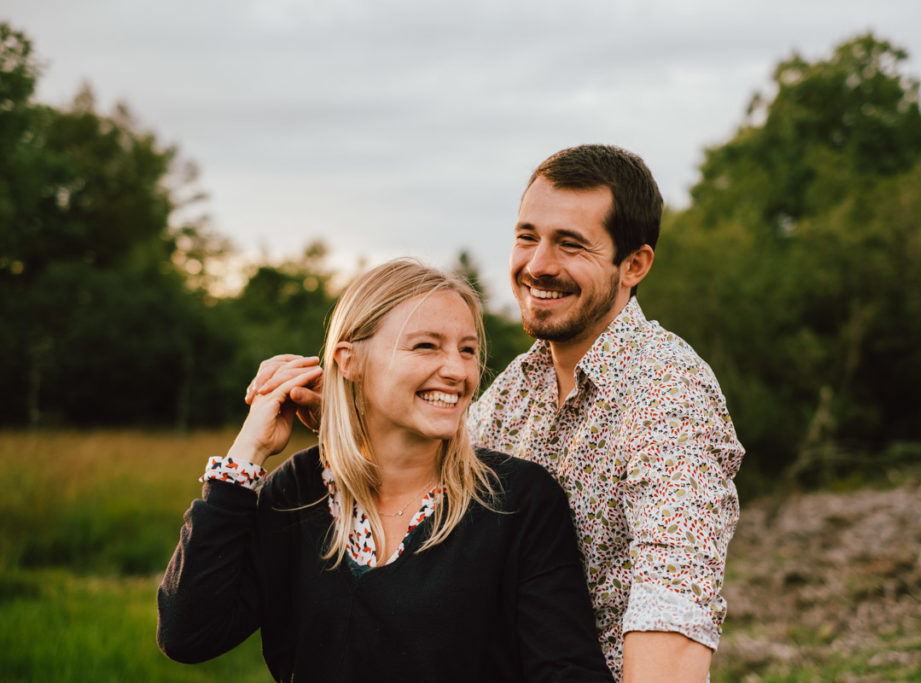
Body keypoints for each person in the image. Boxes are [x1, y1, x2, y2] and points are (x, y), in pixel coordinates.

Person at [249, 145, 745, 682]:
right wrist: (349, 405)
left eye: (570, 245)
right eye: (528, 236)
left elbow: (673, 604)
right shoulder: (516, 388)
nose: (537, 265)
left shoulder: (669, 394)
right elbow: (438, 463)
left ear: (634, 265)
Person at [157, 259, 614, 682]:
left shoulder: (517, 500)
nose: (457, 370)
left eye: (468, 350)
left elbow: (567, 672)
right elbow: (189, 635)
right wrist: (246, 454)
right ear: (349, 361)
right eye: (426, 346)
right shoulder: (298, 493)